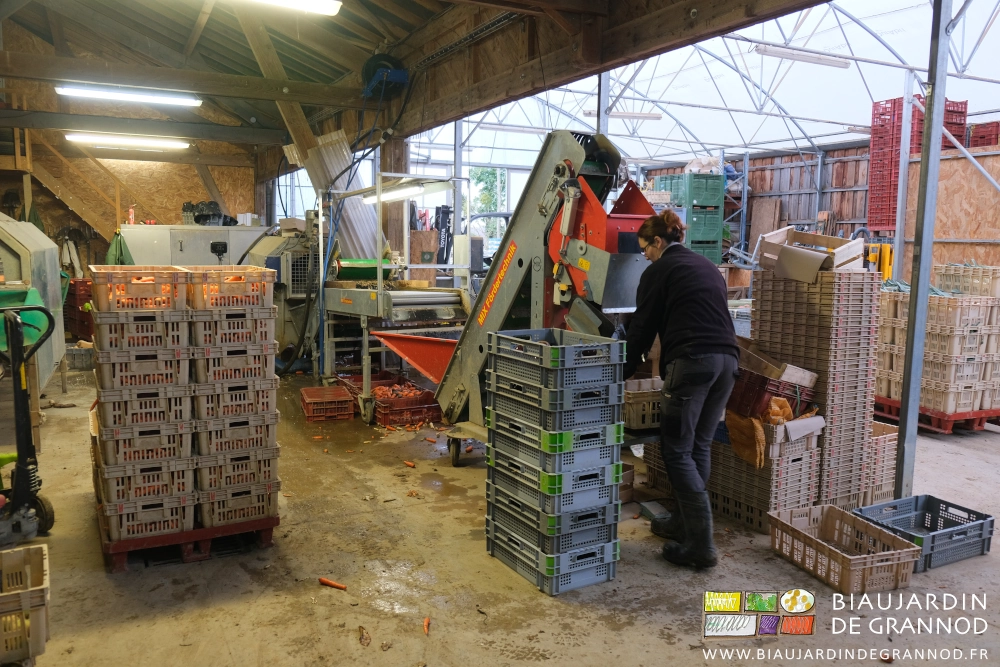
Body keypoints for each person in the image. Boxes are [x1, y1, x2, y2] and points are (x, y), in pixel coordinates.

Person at [623, 209, 739, 569]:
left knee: (676, 451)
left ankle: (701, 546)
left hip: (692, 364)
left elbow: (642, 329)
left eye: (645, 249)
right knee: (697, 446)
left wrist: (617, 373)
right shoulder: (705, 265)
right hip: (728, 364)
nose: (644, 256)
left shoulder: (659, 271)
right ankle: (684, 523)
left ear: (658, 241)